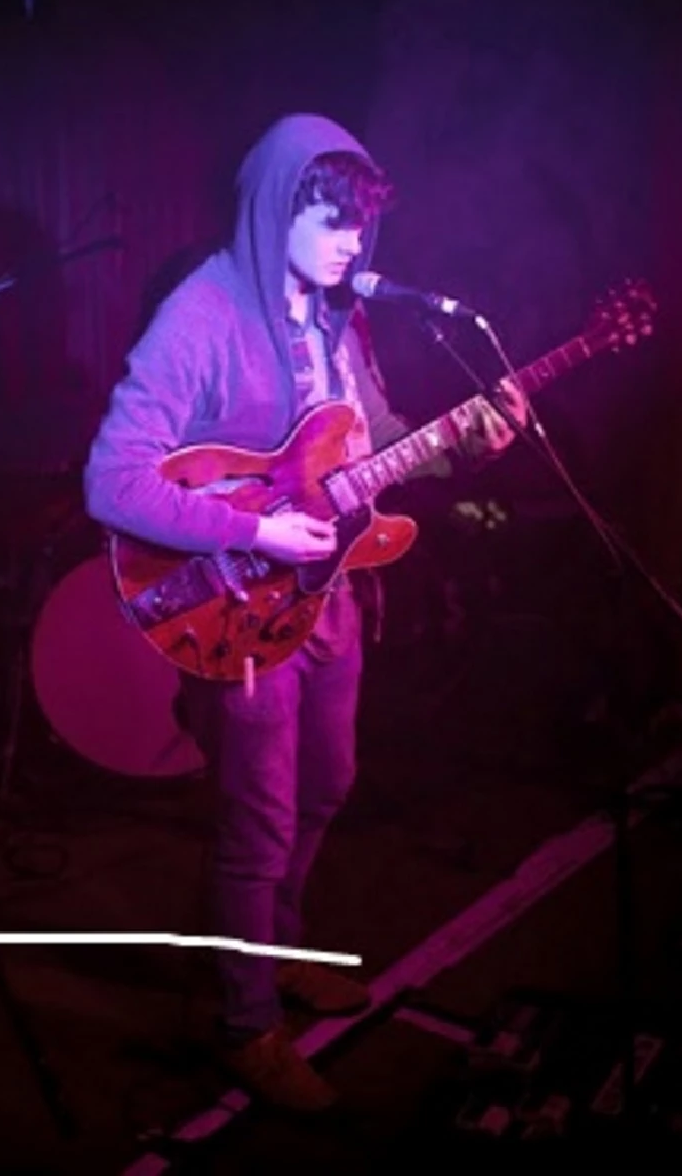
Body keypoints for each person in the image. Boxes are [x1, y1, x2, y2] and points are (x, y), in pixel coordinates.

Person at [83, 112, 526, 1112]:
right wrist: (252, 535)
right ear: (274, 208)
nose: (350, 245)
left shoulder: (339, 317)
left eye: (358, 226)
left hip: (327, 593)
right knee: (260, 816)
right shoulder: (200, 314)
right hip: (240, 604)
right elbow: (113, 481)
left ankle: (275, 952)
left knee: (329, 783)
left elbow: (376, 440)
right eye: (329, 221)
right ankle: (243, 1023)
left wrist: (465, 441)